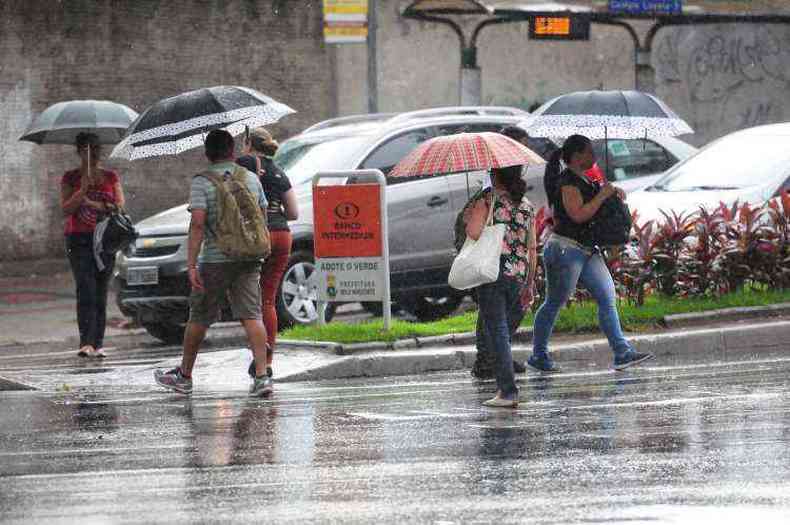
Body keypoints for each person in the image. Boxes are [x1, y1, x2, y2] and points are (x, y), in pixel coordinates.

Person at [154, 129, 272, 397]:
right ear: (232, 151)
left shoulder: (202, 182)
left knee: (200, 317)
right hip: (250, 256)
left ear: (208, 153)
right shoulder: (251, 178)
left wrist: (192, 264)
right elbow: (262, 215)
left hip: (217, 259)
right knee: (251, 315)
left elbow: (197, 223)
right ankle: (263, 377)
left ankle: (184, 376)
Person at [528, 134, 654, 373]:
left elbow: (596, 207)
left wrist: (611, 192)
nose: (594, 157)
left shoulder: (583, 179)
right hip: (566, 250)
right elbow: (578, 214)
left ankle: (622, 352)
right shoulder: (567, 182)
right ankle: (539, 355)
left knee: (607, 297)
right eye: (589, 152)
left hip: (586, 250)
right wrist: (602, 195)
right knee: (554, 302)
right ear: (576, 156)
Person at [462, 125, 538, 379]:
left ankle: (505, 384)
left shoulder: (488, 200)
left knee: (497, 328)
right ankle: (491, 365)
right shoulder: (527, 205)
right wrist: (530, 280)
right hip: (517, 272)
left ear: (495, 175)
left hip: (492, 269)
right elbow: (532, 247)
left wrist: (471, 215)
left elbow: (473, 233)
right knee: (501, 325)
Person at [236, 127, 298, 381]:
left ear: (249, 144)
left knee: (243, 298)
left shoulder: (242, 167)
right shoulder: (279, 172)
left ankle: (259, 352)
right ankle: (267, 360)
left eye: (243, 143)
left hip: (255, 236)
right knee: (268, 299)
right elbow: (293, 212)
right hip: (282, 235)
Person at [60, 132, 125, 358]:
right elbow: (66, 209)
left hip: (105, 241)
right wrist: (82, 190)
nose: (92, 154)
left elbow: (118, 207)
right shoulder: (70, 177)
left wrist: (91, 202)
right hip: (78, 239)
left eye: (96, 149)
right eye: (86, 150)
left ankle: (98, 343)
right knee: (85, 288)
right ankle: (85, 342)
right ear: (79, 152)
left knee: (100, 291)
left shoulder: (110, 176)